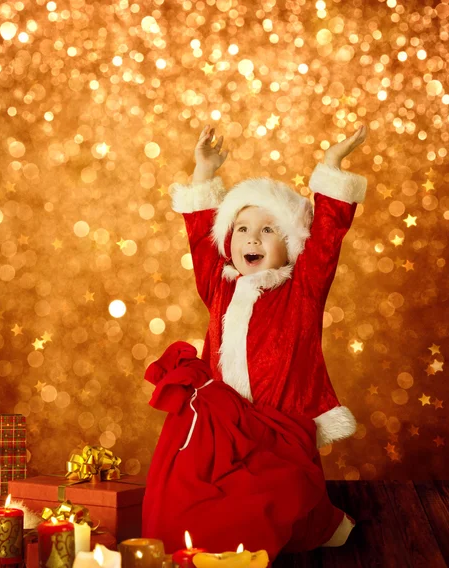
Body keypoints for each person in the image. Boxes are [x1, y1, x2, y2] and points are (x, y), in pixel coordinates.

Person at [142, 124, 368, 558]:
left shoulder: (303, 288)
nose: (251, 238)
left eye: (268, 230)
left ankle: (322, 524)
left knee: (280, 499)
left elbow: (327, 239)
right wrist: (203, 174)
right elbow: (199, 235)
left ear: (292, 244)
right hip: (224, 425)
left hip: (278, 426)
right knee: (194, 493)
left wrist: (331, 168)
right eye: (242, 228)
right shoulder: (220, 284)